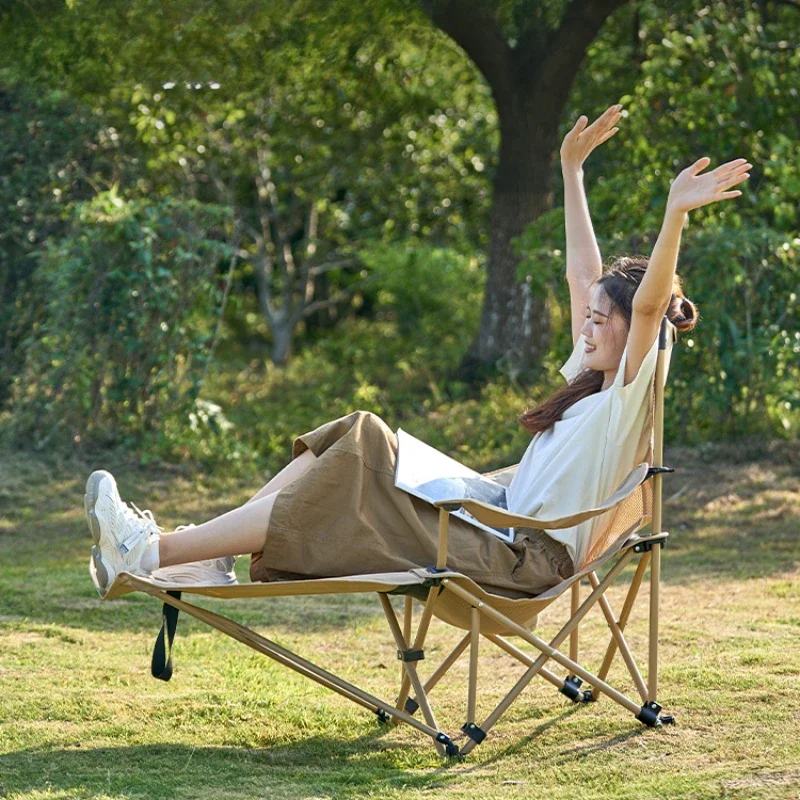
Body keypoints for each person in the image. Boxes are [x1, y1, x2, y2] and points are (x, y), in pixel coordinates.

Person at [84, 104, 750, 599]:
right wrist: (570, 171)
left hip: (521, 561)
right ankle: (201, 557)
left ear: (633, 330)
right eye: (589, 317)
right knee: (357, 432)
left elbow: (648, 305)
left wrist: (675, 216)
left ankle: (153, 549)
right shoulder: (589, 383)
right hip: (492, 521)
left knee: (360, 461)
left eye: (603, 321)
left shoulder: (628, 396)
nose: (587, 325)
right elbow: (584, 276)